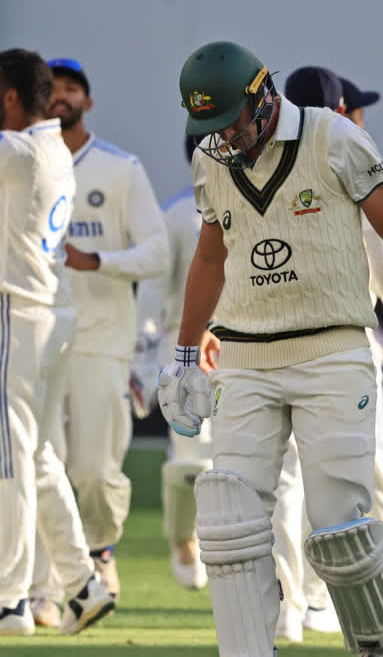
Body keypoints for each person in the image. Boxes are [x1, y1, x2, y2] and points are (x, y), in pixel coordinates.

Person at [158, 41, 383, 657]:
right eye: (209, 126)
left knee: (341, 526)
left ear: (263, 96)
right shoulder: (212, 159)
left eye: (230, 119)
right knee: (230, 523)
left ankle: (376, 647)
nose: (224, 137)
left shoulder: (334, 138)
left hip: (332, 353)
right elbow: (211, 258)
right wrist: (184, 356)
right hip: (244, 359)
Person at [0, 48, 115, 637]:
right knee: (36, 458)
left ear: (10, 97)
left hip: (16, 312)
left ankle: (7, 601)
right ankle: (82, 584)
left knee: (9, 462)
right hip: (48, 313)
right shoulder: (43, 151)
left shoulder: (22, 149)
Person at [25, 57, 168, 622]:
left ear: (86, 99)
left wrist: (99, 260)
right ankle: (43, 587)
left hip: (103, 341)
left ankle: (100, 546)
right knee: (41, 461)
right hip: (40, 333)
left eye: (71, 88)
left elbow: (158, 252)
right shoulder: (27, 161)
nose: (61, 96)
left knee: (92, 470)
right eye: (52, 89)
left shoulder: (119, 167)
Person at [270, 65, 383, 640]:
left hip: (274, 350)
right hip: (343, 350)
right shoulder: (351, 169)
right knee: (365, 482)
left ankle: (291, 607)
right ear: (341, 113)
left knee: (287, 482)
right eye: (357, 111)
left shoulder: (266, 168)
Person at [132, 136, 213, 593]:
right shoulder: (178, 214)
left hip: (244, 351)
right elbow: (152, 292)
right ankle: (185, 539)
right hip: (183, 351)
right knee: (191, 459)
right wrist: (142, 362)